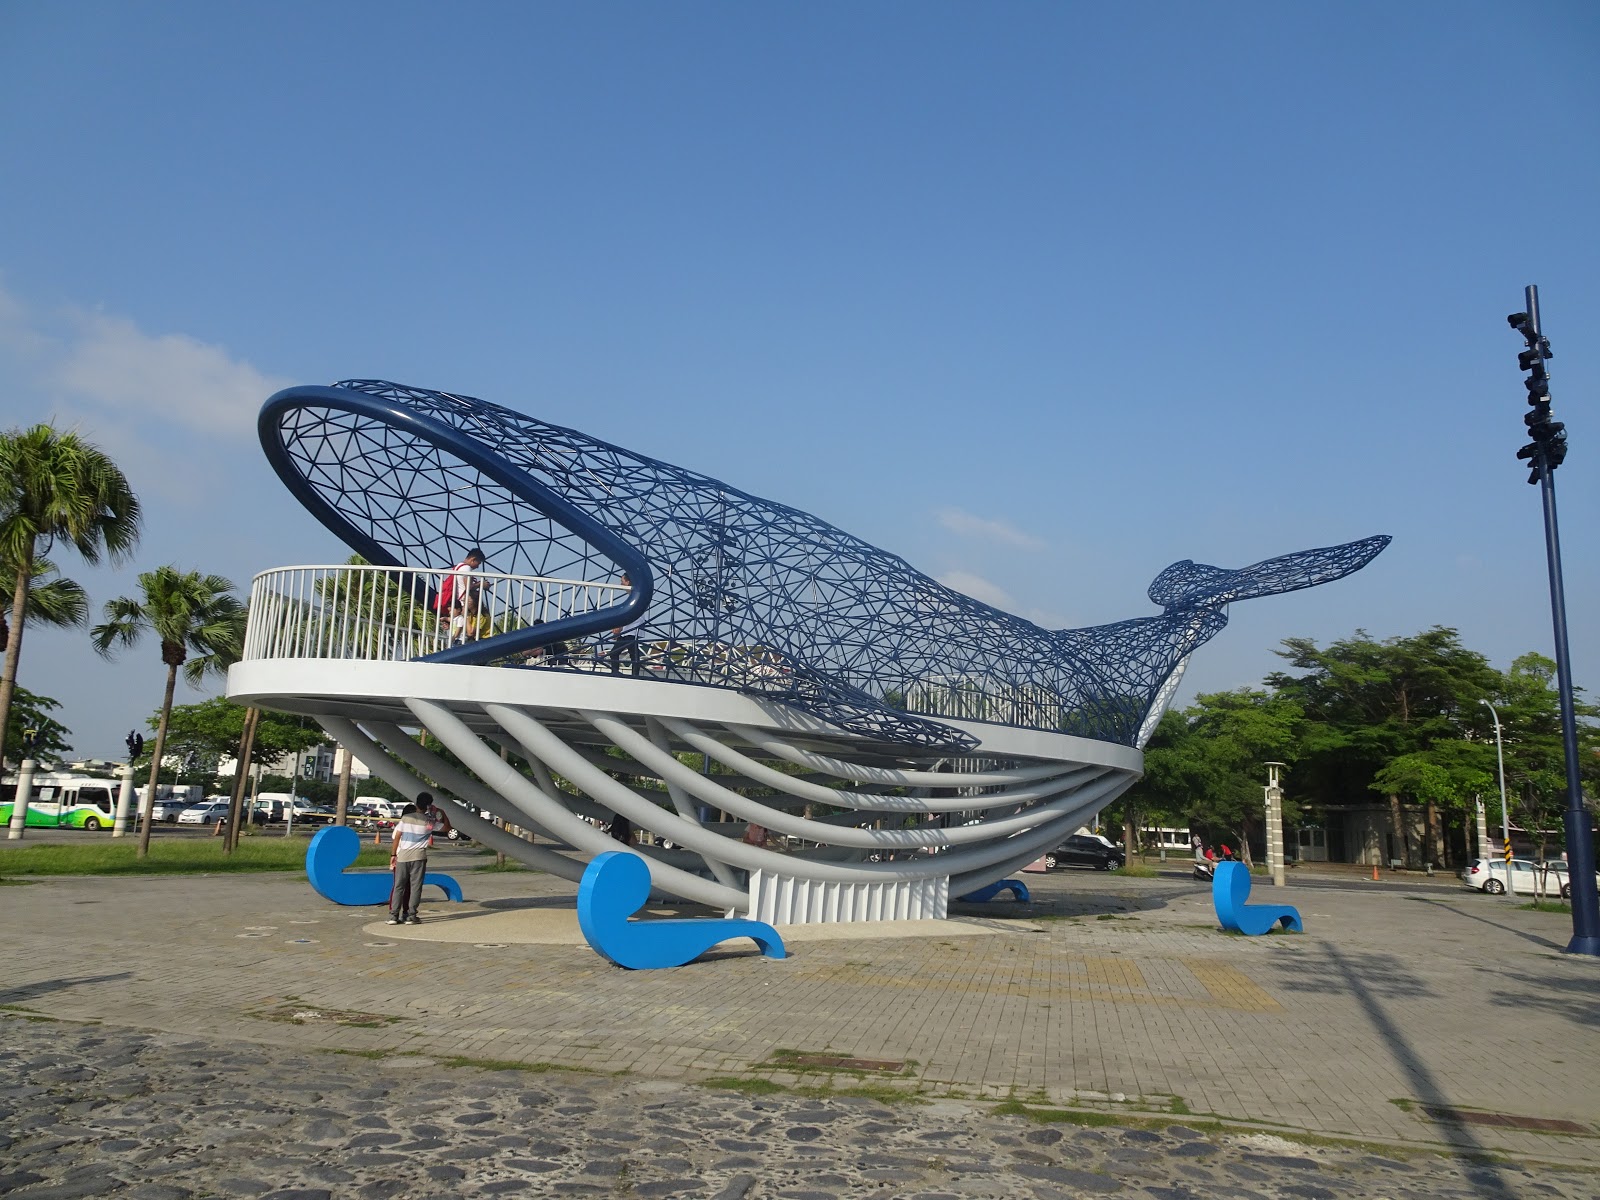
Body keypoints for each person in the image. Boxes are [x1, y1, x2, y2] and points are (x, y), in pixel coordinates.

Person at [389, 792, 452, 924]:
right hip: (419, 856)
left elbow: (397, 837)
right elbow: (447, 828)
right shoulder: (429, 822)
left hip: (403, 856)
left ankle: (394, 915)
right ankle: (411, 915)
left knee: (399, 886)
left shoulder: (406, 818)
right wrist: (441, 812)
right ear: (429, 805)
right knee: (415, 887)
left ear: (416, 803)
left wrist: (393, 855)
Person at [435, 548, 486, 645]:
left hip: (459, 602)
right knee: (468, 632)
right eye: (478, 563)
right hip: (465, 604)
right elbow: (468, 587)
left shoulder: (458, 566)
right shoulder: (467, 568)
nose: (477, 566)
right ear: (473, 559)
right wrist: (481, 584)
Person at [608, 571, 646, 676]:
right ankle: (631, 675)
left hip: (631, 631)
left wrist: (620, 626)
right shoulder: (635, 596)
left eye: (622, 582)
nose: (621, 584)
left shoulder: (636, 596)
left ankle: (618, 673)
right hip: (628, 631)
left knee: (627, 654)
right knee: (632, 654)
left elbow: (632, 614)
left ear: (628, 582)